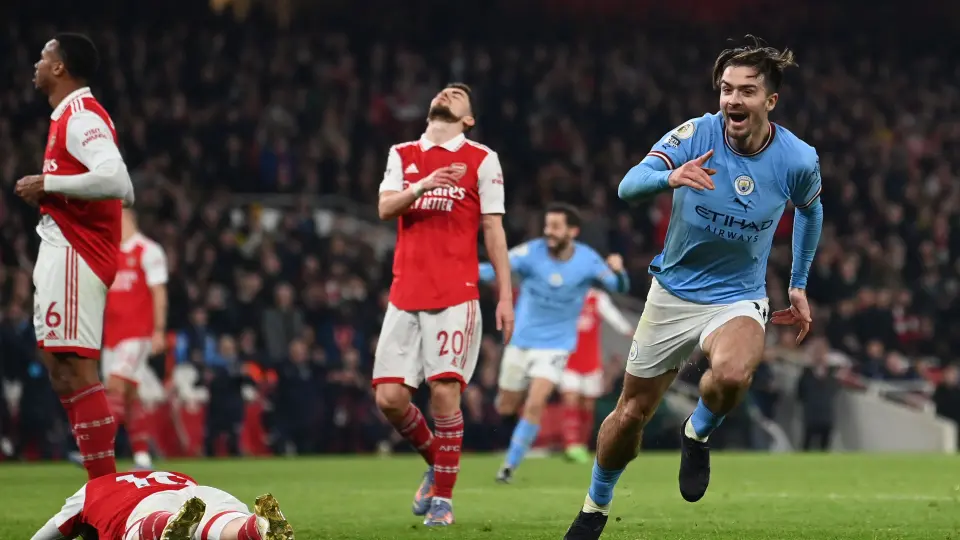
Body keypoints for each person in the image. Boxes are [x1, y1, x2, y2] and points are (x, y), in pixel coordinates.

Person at [564, 36, 823, 539]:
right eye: (726, 90)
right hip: (673, 293)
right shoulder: (695, 135)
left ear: (770, 101)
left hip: (738, 296)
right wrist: (670, 177)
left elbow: (812, 211)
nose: (732, 100)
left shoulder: (797, 159)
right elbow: (627, 186)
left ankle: (697, 431)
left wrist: (797, 284)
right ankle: (595, 506)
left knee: (730, 376)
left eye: (746, 91)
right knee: (630, 416)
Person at [373, 82, 515, 527]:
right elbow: (385, 208)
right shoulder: (402, 153)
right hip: (405, 293)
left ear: (468, 119)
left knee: (443, 392)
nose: (448, 94)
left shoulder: (481, 159)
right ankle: (439, 461)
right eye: (445, 91)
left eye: (459, 95)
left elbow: (492, 229)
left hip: (456, 292)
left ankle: (444, 502)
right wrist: (423, 187)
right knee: (390, 399)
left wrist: (505, 294)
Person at [15, 33, 135, 480]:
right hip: (64, 248)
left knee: (76, 370)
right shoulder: (66, 116)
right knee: (59, 368)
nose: (37, 63)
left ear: (61, 67)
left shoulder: (81, 116)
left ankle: (105, 489)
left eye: (44, 56)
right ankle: (101, 487)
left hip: (75, 251)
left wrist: (49, 185)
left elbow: (118, 181)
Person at [481, 203, 630, 483]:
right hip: (521, 341)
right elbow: (495, 269)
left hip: (557, 345)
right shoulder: (530, 252)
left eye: (556, 227)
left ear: (572, 231)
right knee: (505, 406)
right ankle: (515, 433)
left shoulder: (588, 260)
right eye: (547, 226)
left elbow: (618, 287)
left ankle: (508, 468)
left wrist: (619, 272)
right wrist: (459, 271)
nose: (549, 232)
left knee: (536, 401)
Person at [29, 470, 293, 540]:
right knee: (219, 525)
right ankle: (256, 527)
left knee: (137, 530)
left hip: (144, 507)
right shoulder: (166, 473)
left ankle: (165, 526)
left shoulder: (90, 490)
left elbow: (48, 534)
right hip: (195, 489)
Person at [103, 208, 169, 470]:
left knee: (115, 385)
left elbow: (159, 292)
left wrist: (159, 330)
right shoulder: (108, 253)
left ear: (129, 219)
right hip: (111, 336)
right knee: (130, 397)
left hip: (137, 335)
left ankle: (95, 449)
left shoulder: (148, 250)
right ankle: (142, 457)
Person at [560, 288, 634, 463]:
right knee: (571, 400)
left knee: (587, 405)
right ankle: (570, 445)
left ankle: (581, 446)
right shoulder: (564, 295)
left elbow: (613, 316)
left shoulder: (597, 298)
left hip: (591, 362)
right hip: (568, 361)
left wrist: (629, 331)